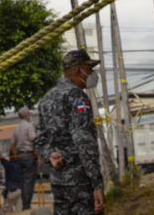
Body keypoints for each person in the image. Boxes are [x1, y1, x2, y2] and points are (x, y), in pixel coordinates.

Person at [35, 48, 105, 215]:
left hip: (59, 182)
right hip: (80, 182)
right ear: (78, 69)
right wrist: (97, 183)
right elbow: (84, 140)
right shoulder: (77, 96)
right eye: (89, 68)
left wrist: (50, 155)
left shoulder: (46, 99)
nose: (91, 73)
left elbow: (39, 140)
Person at [9, 105, 39, 209]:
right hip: (29, 156)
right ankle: (26, 206)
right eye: (29, 114)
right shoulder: (29, 126)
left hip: (20, 156)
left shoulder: (16, 128)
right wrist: (38, 156)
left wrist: (15, 155)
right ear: (26, 115)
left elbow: (12, 144)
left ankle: (25, 204)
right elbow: (33, 140)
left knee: (23, 181)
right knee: (28, 182)